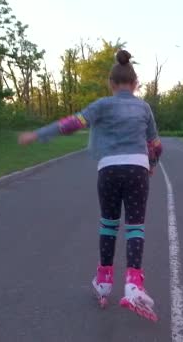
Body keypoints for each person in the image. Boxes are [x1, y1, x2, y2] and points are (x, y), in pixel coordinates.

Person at [18, 50, 162, 322]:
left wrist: (38, 134)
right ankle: (134, 286)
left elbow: (72, 124)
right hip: (137, 169)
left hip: (108, 169)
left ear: (111, 83)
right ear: (136, 83)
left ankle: (104, 281)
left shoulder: (101, 105)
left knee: (108, 223)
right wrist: (151, 165)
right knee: (135, 226)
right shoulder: (144, 107)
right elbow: (155, 144)